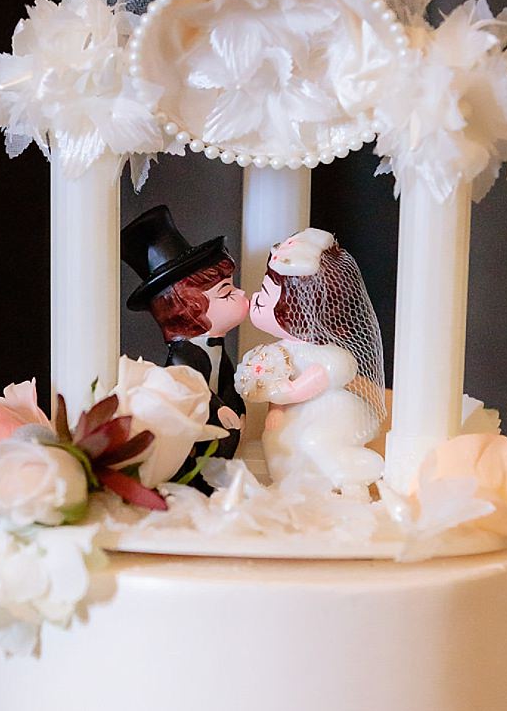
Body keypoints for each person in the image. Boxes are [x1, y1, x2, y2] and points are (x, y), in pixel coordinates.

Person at [236, 229, 387, 495]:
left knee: (315, 441)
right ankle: (297, 486)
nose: (256, 299)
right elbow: (278, 377)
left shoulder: (325, 353)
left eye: (266, 294)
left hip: (328, 412)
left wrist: (289, 392)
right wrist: (275, 409)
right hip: (294, 414)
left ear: (298, 307)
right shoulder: (279, 350)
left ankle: (352, 481)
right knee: (278, 442)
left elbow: (328, 373)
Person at [120, 205, 248, 430]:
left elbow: (227, 383)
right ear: (188, 309)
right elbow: (191, 388)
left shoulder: (217, 348)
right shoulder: (182, 356)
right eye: (227, 293)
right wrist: (219, 408)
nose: (242, 294)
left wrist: (237, 406)